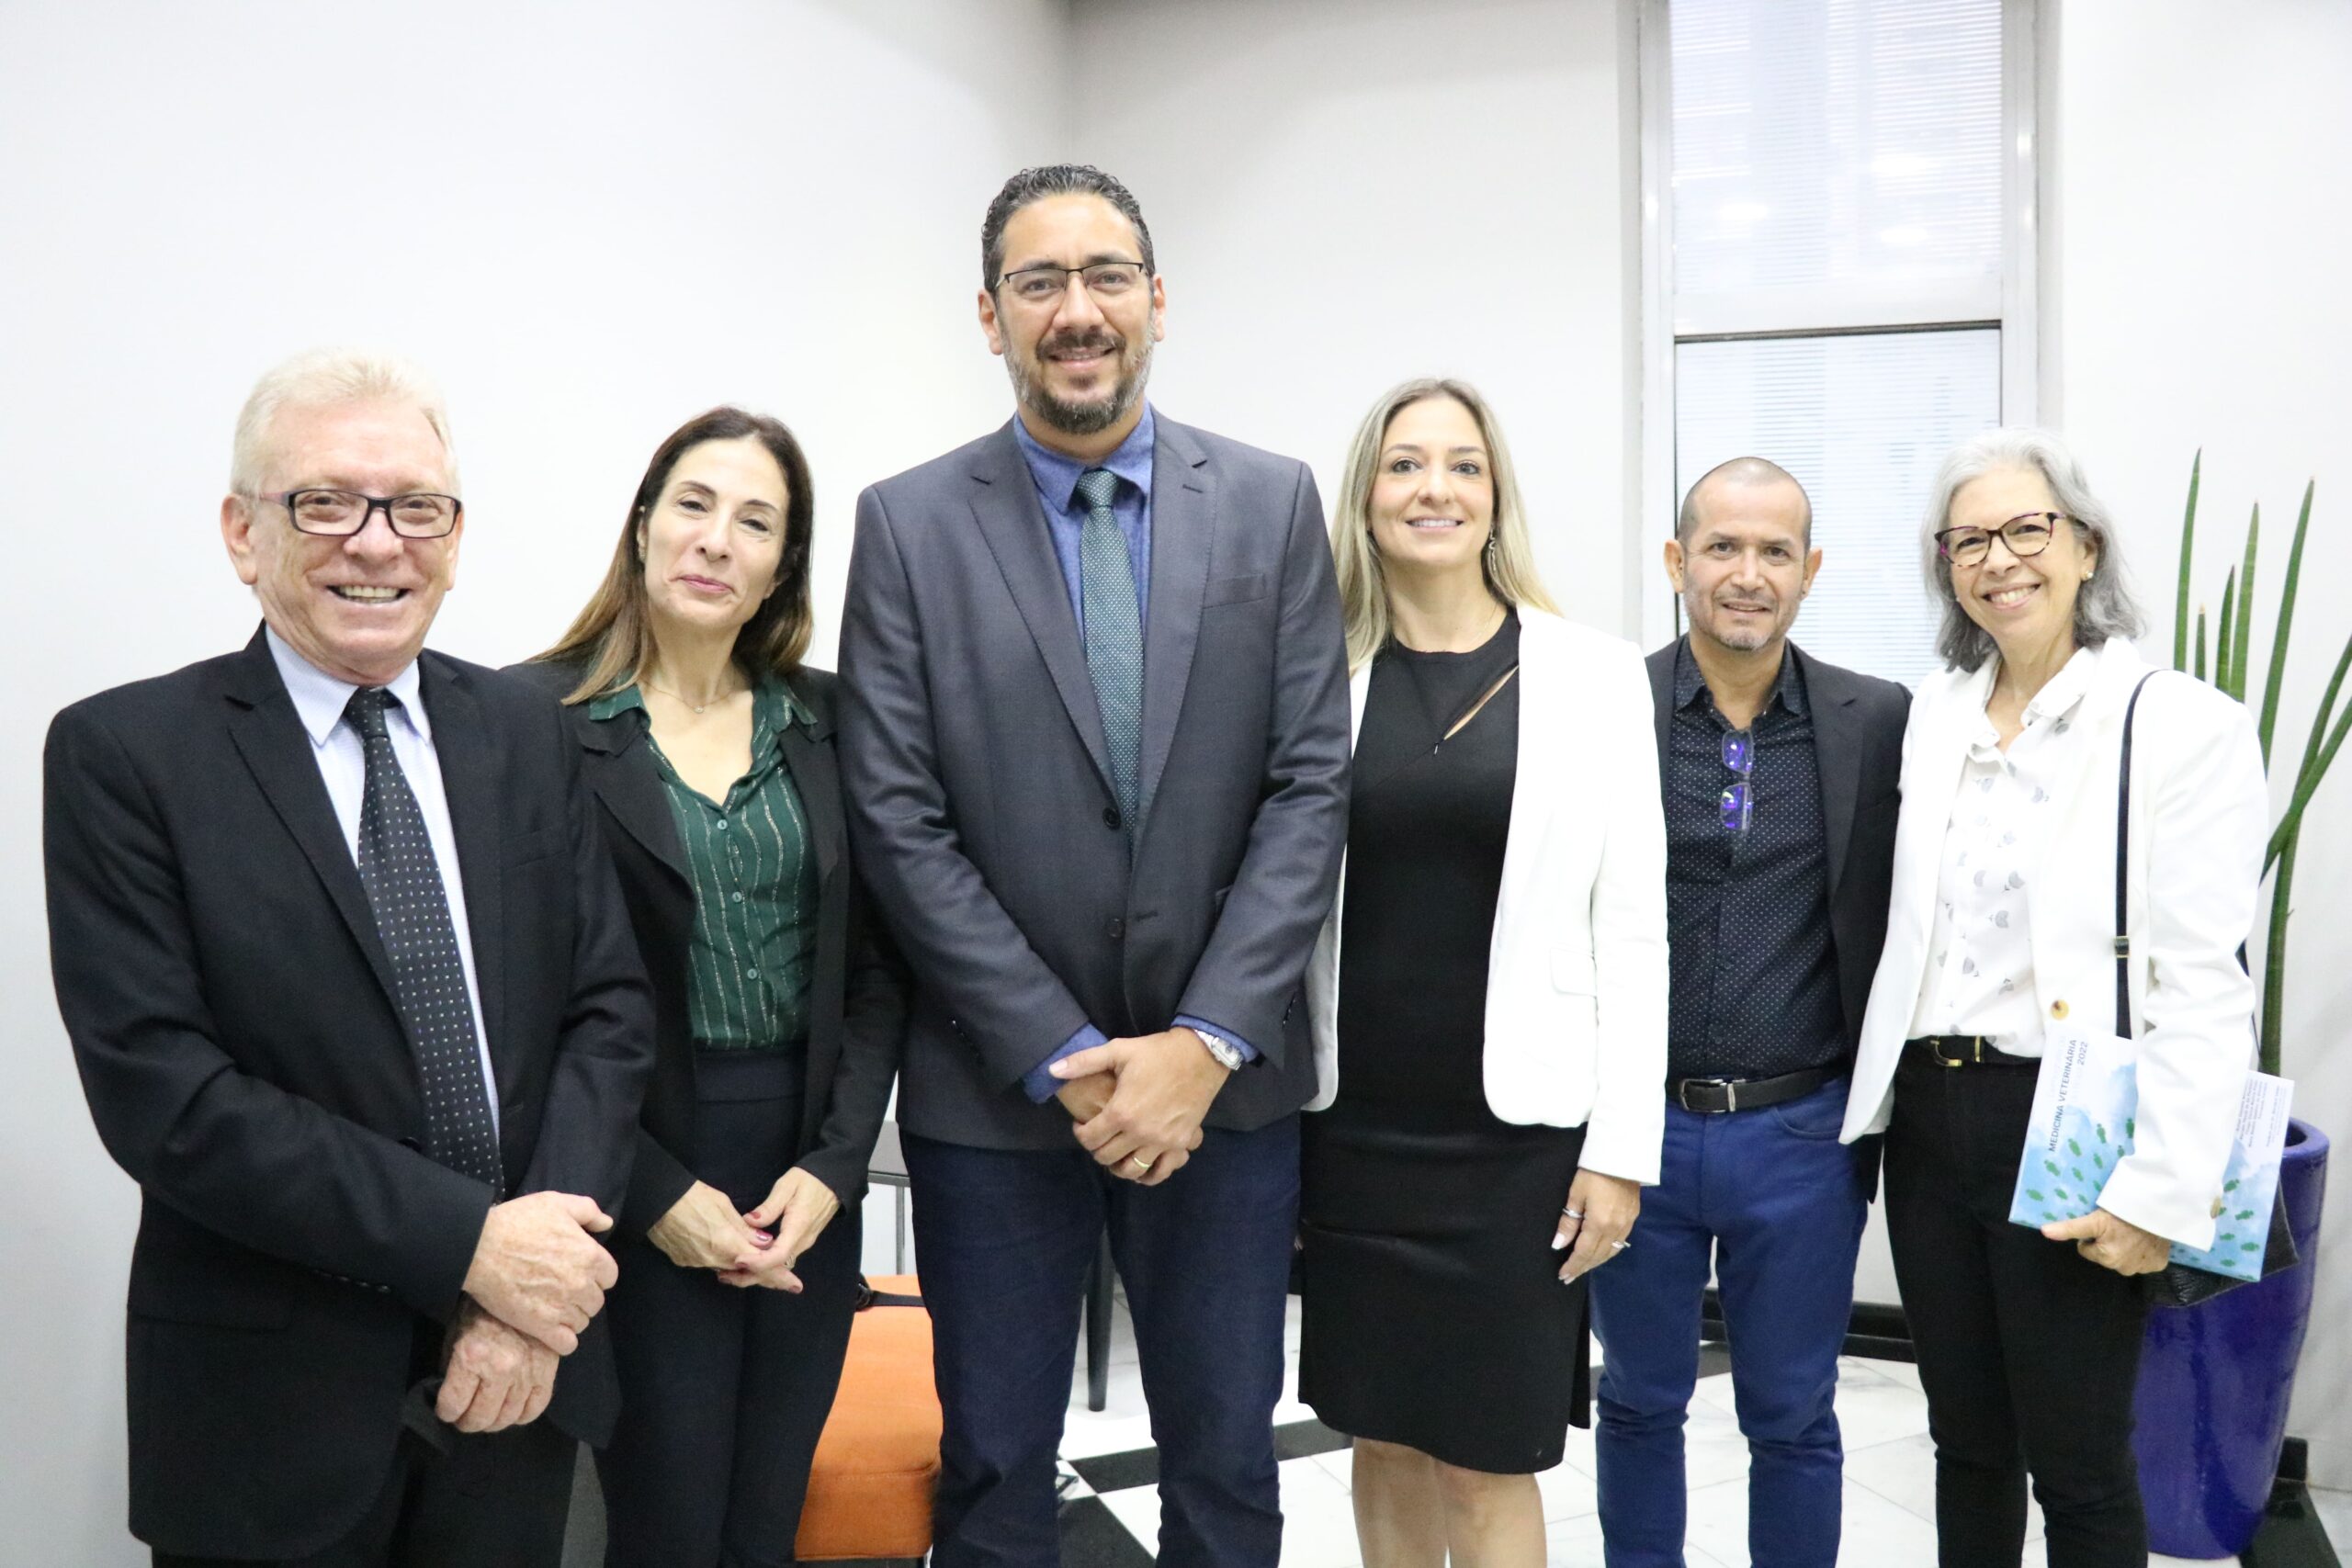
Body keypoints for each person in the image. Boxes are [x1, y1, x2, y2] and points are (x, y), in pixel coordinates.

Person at [43, 348, 653, 1567]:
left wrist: (535, 1289)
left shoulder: (527, 732)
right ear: (243, 532)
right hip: (270, 1418)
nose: (377, 542)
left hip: (518, 1389)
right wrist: (475, 1247)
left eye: (416, 507)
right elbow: (170, 1099)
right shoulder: (125, 756)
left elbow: (607, 1011)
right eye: (325, 501)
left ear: (454, 537)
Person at [837, 164, 1351, 1567]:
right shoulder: (908, 524)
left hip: (1222, 1098)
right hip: (996, 1094)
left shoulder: (1270, 502)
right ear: (989, 315)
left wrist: (1207, 1037)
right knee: (996, 1470)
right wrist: (1060, 1051)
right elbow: (898, 814)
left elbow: (1309, 784)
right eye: (1040, 281)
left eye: (1107, 275)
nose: (1078, 309)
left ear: (1158, 299)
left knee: (1228, 1462)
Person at [1840, 427, 2269, 1568]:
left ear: (2085, 547)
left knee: (2077, 1463)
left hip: (2071, 1122)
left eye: (2026, 529)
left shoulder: (2179, 725)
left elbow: (2203, 986)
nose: (1999, 559)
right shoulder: (1930, 719)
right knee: (1965, 1442)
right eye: (1967, 540)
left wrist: (2158, 1193)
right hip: (1928, 1122)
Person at [515, 406, 906, 1566]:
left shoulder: (830, 720)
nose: (716, 539)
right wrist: (654, 1193)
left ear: (781, 566)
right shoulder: (533, 723)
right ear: (643, 526)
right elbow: (521, 1004)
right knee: (668, 1526)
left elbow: (879, 969)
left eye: (756, 522)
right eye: (692, 504)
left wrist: (837, 1167)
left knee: (767, 1519)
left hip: (804, 1174)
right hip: (634, 1165)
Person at [1297, 377, 1668, 1568]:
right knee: (1382, 1434)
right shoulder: (1314, 672)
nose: (1435, 489)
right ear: (1365, 497)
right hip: (1353, 1133)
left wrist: (1620, 1151)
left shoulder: (1594, 674)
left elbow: (1634, 930)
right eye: (1405, 464)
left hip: (1517, 1145)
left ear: (1497, 496)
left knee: (1488, 1454)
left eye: (1463, 465)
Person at [1585, 457, 1909, 1568]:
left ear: (1810, 571)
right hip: (1636, 1133)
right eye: (1722, 546)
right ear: (1676, 561)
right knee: (1636, 1401)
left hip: (1800, 1135)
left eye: (1774, 551)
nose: (1747, 573)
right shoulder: (1608, 710)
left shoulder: (1876, 720)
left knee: (1793, 1415)